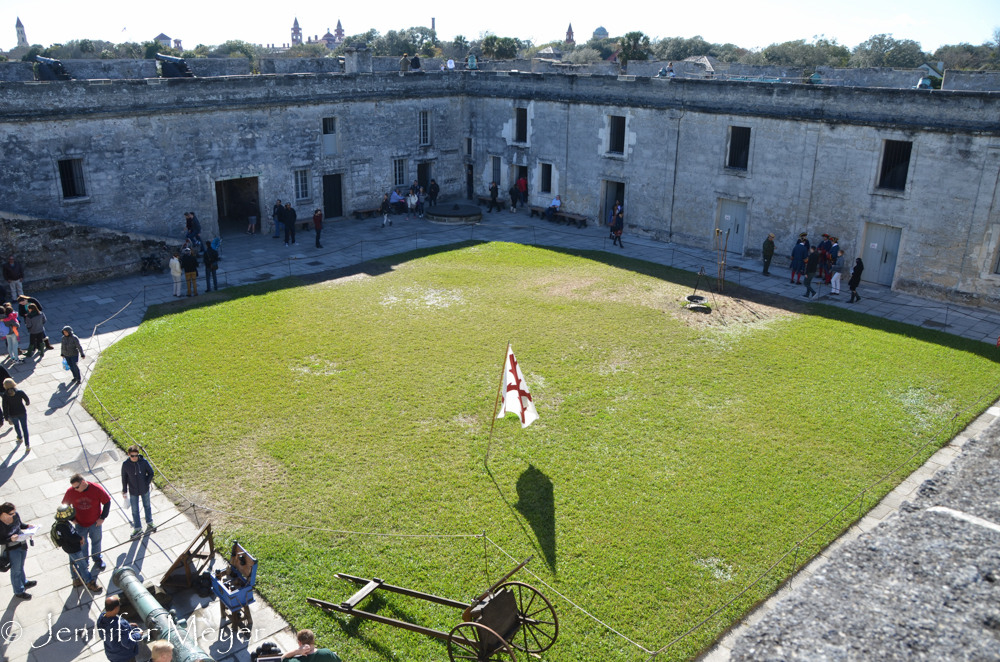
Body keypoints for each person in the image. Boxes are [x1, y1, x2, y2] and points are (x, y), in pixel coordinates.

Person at [63, 474, 111, 572]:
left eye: (77, 487)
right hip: (80, 524)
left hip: (95, 523)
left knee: (96, 541)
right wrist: (72, 519)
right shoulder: (71, 491)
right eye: (73, 487)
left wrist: (102, 518)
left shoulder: (96, 489)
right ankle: (84, 561)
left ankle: (97, 558)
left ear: (83, 482)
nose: (75, 489)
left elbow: (107, 502)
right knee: (82, 543)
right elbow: (65, 506)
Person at [53, 504, 102, 592]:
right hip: (73, 549)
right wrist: (80, 538)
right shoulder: (62, 526)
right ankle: (90, 582)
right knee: (83, 565)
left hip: (70, 548)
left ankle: (76, 580)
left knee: (73, 563)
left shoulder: (62, 523)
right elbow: (71, 538)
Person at [0, 502, 36, 599]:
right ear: (4, 514)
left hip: (21, 544)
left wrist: (28, 526)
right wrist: (10, 539)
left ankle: (24, 582)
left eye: (15, 512)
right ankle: (18, 591)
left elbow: (20, 525)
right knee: (16, 571)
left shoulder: (15, 516)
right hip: (11, 549)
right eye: (12, 513)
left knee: (20, 566)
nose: (14, 514)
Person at [122, 445, 156, 539]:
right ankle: (137, 528)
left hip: (144, 489)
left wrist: (147, 483)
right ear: (128, 454)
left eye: (136, 455)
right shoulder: (125, 465)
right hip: (133, 490)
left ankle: (150, 522)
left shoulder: (143, 462)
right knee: (135, 510)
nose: (134, 458)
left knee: (147, 506)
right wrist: (124, 491)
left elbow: (151, 472)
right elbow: (124, 478)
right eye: (132, 456)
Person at [97, 595, 143, 662]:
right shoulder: (120, 625)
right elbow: (127, 643)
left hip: (112, 654)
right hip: (125, 657)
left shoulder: (101, 618)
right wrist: (138, 635)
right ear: (116, 608)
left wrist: (128, 626)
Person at [2, 378, 29, 448]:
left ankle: (19, 437)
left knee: (16, 426)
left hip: (13, 414)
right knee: (25, 428)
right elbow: (27, 400)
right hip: (22, 412)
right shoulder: (20, 392)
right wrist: (27, 403)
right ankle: (27, 445)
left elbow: (4, 407)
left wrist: (6, 417)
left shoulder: (5, 396)